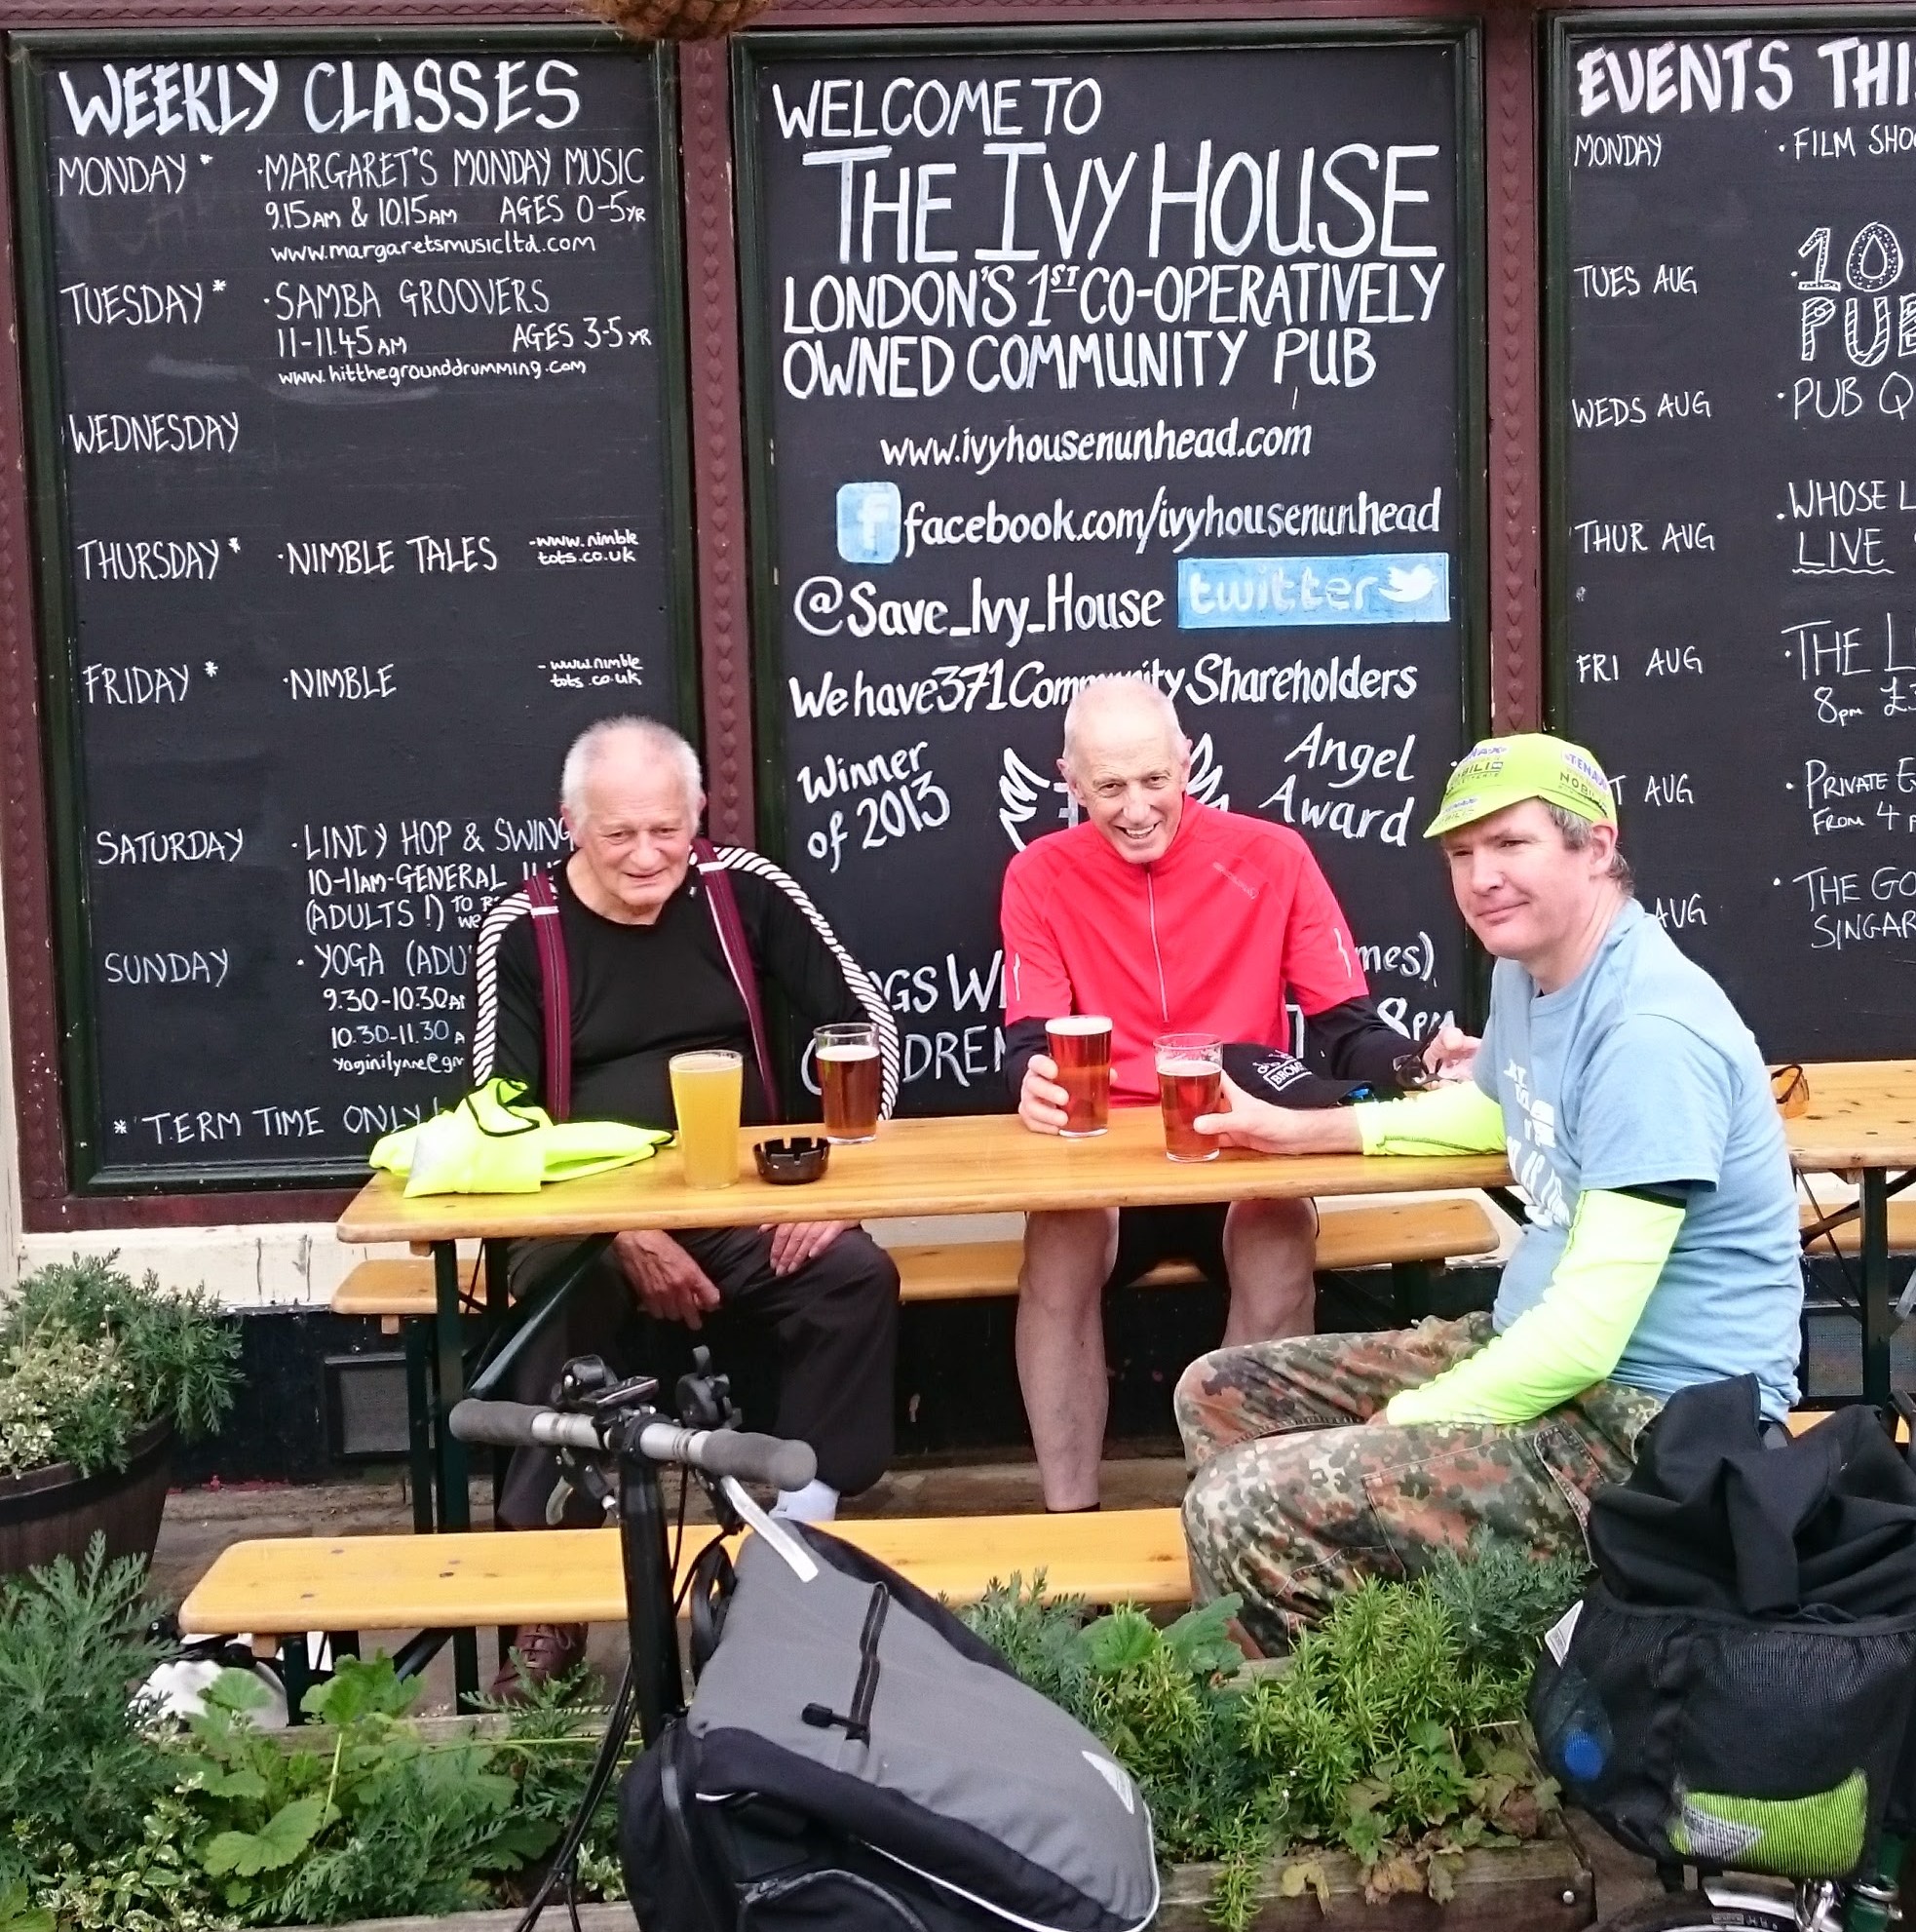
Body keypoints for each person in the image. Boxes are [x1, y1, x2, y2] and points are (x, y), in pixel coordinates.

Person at [1176, 731, 1803, 1652]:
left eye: (1511, 845)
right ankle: (1388, 1657)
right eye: (1461, 854)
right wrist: (1304, 1129)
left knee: (1240, 1502)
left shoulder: (1649, 1034)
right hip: (1541, 1355)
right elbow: (1495, 1111)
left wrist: (1411, 1420)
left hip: (1653, 1435)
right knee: (1220, 1390)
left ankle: (1364, 1729)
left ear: (1595, 845)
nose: (1480, 879)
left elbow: (1587, 1336)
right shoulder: (1529, 973)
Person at [471, 715, 901, 1688]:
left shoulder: (742, 891)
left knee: (850, 1274)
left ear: (697, 815)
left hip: (738, 1196)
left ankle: (799, 1541)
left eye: (666, 829)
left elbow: (864, 1025)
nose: (645, 855)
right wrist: (622, 1227)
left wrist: (844, 1185)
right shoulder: (525, 927)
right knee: (558, 1307)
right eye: (618, 834)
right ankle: (552, 1598)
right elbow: (498, 1119)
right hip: (583, 1223)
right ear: (570, 824)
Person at [999, 675, 1419, 1512]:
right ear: (1069, 780)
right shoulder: (1037, 872)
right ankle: (1069, 1522)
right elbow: (1025, 1040)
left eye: (1154, 779)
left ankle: (1230, 1511)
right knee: (1058, 1238)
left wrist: (1412, 1064)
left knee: (1277, 1235)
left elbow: (1347, 1024)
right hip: (1111, 1144)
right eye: (1109, 786)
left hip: (1239, 1131)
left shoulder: (1274, 853)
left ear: (1186, 762)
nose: (1135, 807)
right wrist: (1029, 1082)